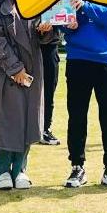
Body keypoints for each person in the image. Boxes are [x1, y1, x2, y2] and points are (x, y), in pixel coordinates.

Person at [0, 0, 56, 190]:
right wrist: (15, 69)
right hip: (5, 72)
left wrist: (45, 31)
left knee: (27, 119)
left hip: (31, 70)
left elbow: (47, 38)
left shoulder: (37, 4)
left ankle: (20, 169)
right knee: (7, 120)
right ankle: (2, 171)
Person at [62, 0, 107, 189]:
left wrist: (86, 6)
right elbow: (60, 21)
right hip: (77, 58)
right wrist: (68, 26)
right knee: (76, 116)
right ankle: (77, 166)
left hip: (106, 60)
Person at [40, 17, 61, 146]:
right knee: (23, 90)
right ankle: (23, 129)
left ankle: (45, 129)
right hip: (27, 47)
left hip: (50, 47)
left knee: (48, 91)